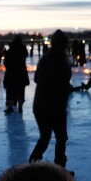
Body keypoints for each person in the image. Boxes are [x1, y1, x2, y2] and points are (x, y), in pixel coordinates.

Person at [29, 29, 73, 168]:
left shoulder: (45, 58)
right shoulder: (61, 60)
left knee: (45, 138)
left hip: (40, 105)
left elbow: (36, 78)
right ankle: (59, 170)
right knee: (60, 138)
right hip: (54, 106)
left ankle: (32, 166)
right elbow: (61, 85)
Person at [2, 35, 29, 114]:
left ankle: (10, 107)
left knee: (10, 90)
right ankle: (20, 107)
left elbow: (6, 62)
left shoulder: (10, 50)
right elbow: (26, 55)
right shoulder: (23, 50)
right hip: (21, 73)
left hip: (11, 74)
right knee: (21, 90)